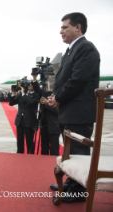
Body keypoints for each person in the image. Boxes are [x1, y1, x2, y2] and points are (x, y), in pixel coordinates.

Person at [48, 12, 100, 203]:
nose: (60, 31)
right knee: (70, 152)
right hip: (69, 112)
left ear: (77, 27)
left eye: (64, 27)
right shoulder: (71, 50)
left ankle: (79, 191)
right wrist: (56, 96)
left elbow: (77, 80)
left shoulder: (86, 48)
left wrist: (58, 98)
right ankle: (72, 181)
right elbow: (62, 79)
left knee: (79, 151)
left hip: (79, 113)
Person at [9, 76, 39, 154]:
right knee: (20, 140)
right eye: (29, 84)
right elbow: (11, 103)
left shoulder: (35, 95)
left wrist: (23, 94)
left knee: (29, 139)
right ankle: (20, 152)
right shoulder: (21, 95)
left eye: (31, 84)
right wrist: (13, 94)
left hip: (29, 121)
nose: (30, 85)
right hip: (20, 120)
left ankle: (30, 153)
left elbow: (30, 102)